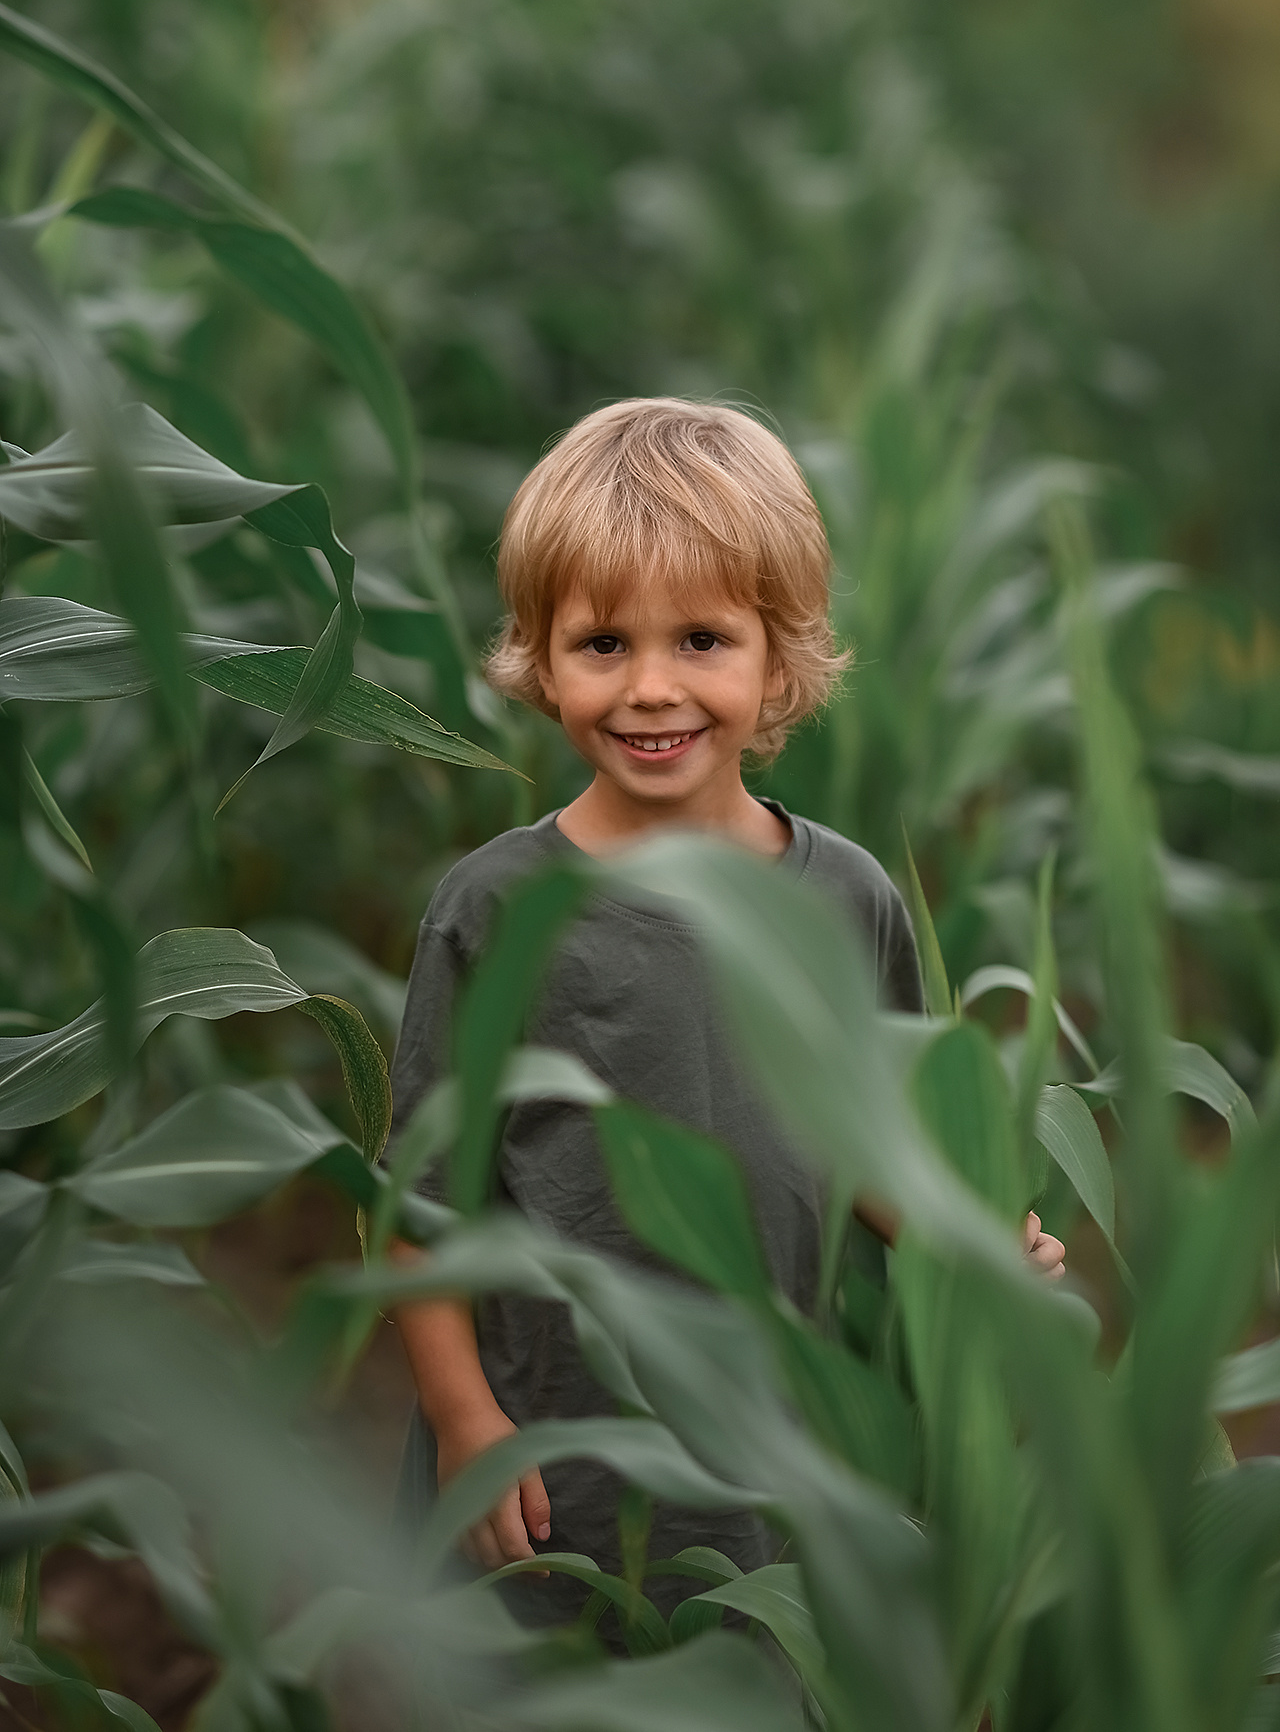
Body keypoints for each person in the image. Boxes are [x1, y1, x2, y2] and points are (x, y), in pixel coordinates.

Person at [388, 398, 1066, 1624]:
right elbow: (420, 1211)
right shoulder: (496, 910)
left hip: (772, 1463)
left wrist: (969, 1235)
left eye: (701, 640)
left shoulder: (842, 896)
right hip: (555, 1470)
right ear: (540, 658)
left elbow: (868, 1150)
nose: (651, 689)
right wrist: (462, 1422)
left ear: (779, 656)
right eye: (602, 645)